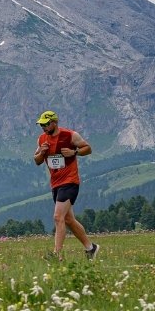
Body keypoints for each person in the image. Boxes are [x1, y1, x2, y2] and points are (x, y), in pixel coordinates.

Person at [33, 110, 99, 261]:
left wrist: (74, 152)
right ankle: (91, 248)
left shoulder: (70, 135)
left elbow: (88, 148)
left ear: (54, 123)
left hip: (70, 181)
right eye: (41, 125)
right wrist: (42, 153)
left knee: (57, 217)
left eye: (45, 124)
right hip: (56, 184)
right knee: (68, 220)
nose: (43, 127)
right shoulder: (42, 139)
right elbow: (36, 160)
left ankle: (57, 255)